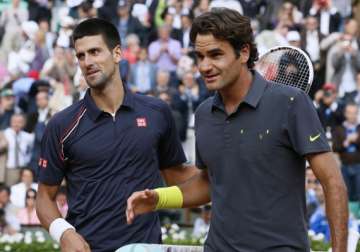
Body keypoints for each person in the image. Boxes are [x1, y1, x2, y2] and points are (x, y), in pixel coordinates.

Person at [126, 8, 348, 252]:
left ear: (243, 52)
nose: (204, 66)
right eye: (199, 56)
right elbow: (210, 182)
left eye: (215, 55)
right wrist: (159, 198)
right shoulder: (203, 114)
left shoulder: (291, 102)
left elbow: (332, 181)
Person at [35, 18, 198, 252]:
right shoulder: (61, 125)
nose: (87, 62)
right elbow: (44, 197)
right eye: (81, 56)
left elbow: (177, 176)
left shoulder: (157, 112)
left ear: (117, 53)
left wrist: (227, 174)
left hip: (146, 247)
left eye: (94, 52)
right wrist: (65, 233)